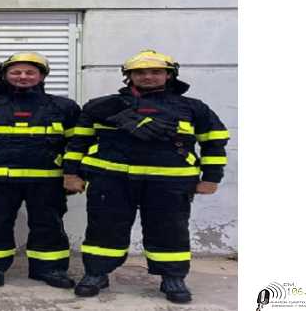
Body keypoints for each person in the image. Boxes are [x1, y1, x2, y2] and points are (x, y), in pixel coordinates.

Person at [63, 49, 229, 303]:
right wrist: (71, 174)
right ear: (128, 76)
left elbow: (214, 142)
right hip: (111, 180)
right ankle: (96, 273)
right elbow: (78, 143)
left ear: (169, 75)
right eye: (140, 72)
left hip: (170, 183)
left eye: (155, 72)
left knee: (170, 230)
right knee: (104, 229)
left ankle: (172, 278)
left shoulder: (193, 108)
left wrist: (212, 177)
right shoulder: (102, 106)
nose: (148, 76)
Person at [0, 52, 80, 288]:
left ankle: (50, 269)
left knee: (48, 224)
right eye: (16, 72)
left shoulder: (63, 107)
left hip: (47, 180)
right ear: (5, 75)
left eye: (30, 72)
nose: (23, 77)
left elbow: (76, 144)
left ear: (42, 76)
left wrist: (72, 173)